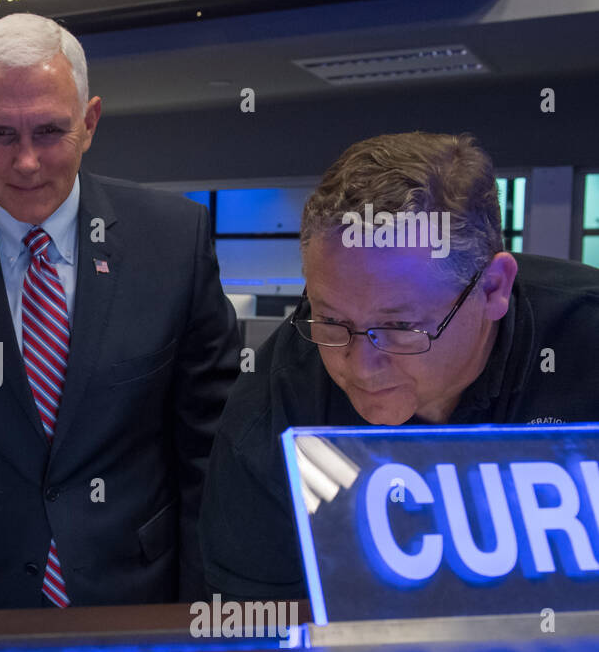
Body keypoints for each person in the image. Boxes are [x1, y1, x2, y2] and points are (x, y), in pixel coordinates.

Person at [0, 12, 239, 608]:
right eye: (0, 134)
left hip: (133, 595)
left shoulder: (173, 242)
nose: (26, 162)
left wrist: (202, 609)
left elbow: (210, 449)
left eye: (48, 131)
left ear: (89, 123)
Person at [201, 131, 599, 600]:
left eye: (399, 326)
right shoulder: (275, 402)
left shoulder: (584, 342)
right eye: (331, 319)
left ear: (493, 289)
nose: (361, 367)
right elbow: (253, 622)